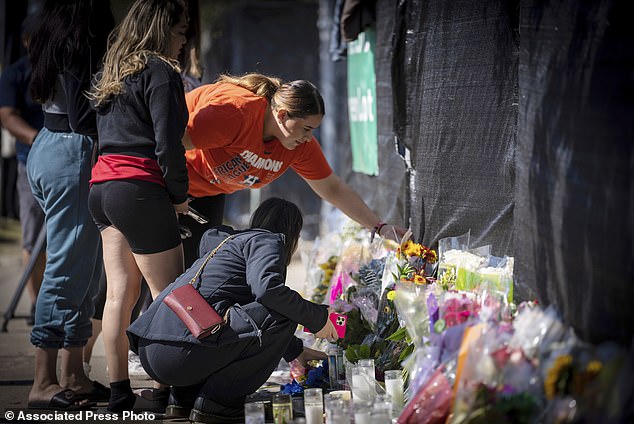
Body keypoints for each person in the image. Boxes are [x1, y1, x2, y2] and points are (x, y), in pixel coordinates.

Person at [127, 197, 339, 423]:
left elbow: (251, 322)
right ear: (292, 234)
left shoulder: (231, 243)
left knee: (276, 308)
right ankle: (219, 404)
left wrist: (295, 350)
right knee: (285, 310)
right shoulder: (266, 241)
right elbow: (269, 293)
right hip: (180, 353)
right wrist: (320, 318)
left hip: (154, 349)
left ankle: (184, 400)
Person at [179, 72, 407, 267]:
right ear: (281, 115)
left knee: (195, 275)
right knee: (160, 279)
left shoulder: (298, 145)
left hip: (207, 193)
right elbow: (169, 145)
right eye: (306, 128)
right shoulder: (236, 112)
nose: (309, 137)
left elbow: (332, 188)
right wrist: (170, 197)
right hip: (169, 181)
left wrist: (380, 228)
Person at [87, 0, 189, 413]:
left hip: (102, 189)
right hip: (139, 189)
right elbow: (169, 146)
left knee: (119, 297)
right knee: (170, 295)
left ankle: (119, 394)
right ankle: (168, 390)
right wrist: (179, 197)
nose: (185, 40)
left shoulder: (112, 71)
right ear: (163, 28)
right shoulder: (161, 72)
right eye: (181, 30)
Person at [26, 0, 114, 410]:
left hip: (50, 145)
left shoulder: (52, 28)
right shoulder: (86, 36)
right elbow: (83, 115)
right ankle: (43, 381)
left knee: (85, 269)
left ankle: (74, 374)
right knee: (67, 271)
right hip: (73, 153)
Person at [0, 13, 45, 326]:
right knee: (32, 236)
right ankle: (36, 304)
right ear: (28, 41)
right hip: (30, 162)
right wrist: (40, 140)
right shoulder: (15, 74)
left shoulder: (62, 71)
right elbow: (7, 116)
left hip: (68, 164)